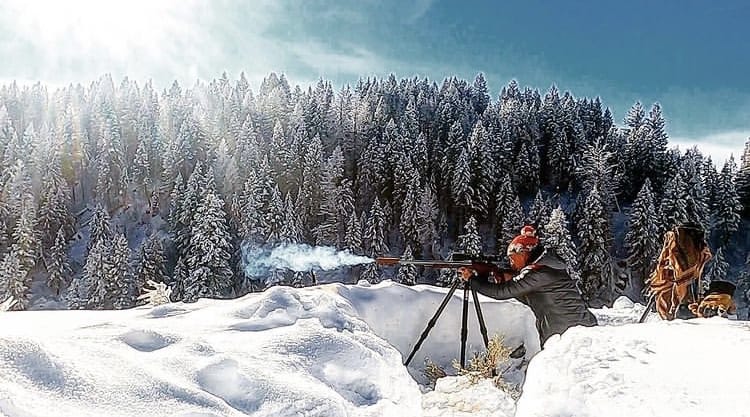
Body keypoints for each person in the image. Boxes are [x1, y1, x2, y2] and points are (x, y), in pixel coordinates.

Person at [459, 225, 597, 345]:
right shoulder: (547, 268)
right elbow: (529, 297)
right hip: (576, 330)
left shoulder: (538, 273)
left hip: (570, 336)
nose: (511, 263)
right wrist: (495, 278)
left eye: (512, 258)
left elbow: (500, 293)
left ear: (523, 253)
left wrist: (472, 280)